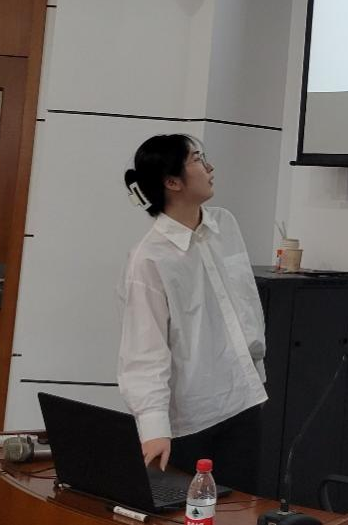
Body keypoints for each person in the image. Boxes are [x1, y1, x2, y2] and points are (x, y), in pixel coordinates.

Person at [117, 134, 267, 495]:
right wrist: (154, 428)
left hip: (245, 397)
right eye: (197, 160)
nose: (210, 167)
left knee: (241, 509)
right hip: (191, 417)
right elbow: (144, 350)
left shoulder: (225, 225)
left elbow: (245, 304)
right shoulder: (149, 257)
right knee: (191, 512)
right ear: (172, 182)